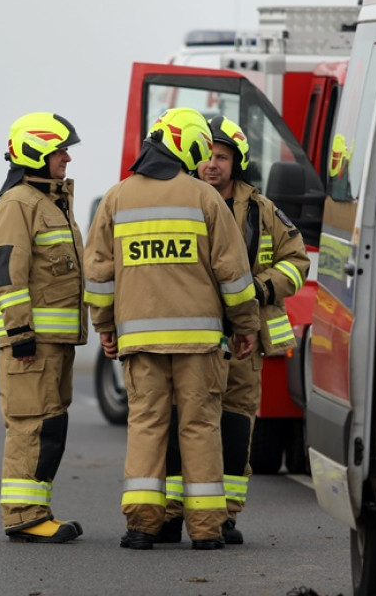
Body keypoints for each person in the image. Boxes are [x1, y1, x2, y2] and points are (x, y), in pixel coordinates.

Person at [83, 107, 260, 551]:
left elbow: (99, 276)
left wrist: (106, 327)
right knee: (199, 427)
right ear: (189, 146)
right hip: (200, 344)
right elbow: (234, 276)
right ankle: (206, 530)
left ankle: (142, 526)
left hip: (140, 342)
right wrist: (245, 326)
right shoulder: (206, 199)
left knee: (146, 425)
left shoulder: (116, 198)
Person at [156, 115, 310, 545]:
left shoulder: (260, 209)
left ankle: (222, 515)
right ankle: (170, 514)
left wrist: (262, 290)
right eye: (206, 155)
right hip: (189, 334)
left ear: (236, 161)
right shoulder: (179, 199)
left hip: (243, 338)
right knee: (177, 421)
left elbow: (297, 261)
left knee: (235, 423)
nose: (212, 165)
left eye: (222, 157)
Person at [0, 112, 87, 543]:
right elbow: (6, 274)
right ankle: (24, 517)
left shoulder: (50, 202)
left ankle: (37, 510)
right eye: (60, 150)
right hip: (32, 344)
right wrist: (20, 333)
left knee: (50, 427)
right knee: (31, 426)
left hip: (54, 343)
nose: (67, 157)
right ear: (36, 153)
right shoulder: (17, 205)